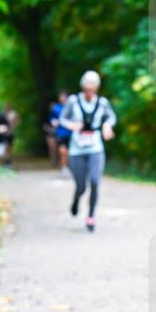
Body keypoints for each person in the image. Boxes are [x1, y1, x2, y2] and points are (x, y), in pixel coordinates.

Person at [60, 71, 117, 232]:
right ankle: (76, 199)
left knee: (94, 181)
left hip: (95, 148)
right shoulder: (73, 101)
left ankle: (91, 217)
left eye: (93, 85)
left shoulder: (102, 103)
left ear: (97, 87)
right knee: (81, 186)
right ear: (83, 85)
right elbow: (63, 118)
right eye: (88, 84)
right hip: (77, 149)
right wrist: (71, 125)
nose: (90, 88)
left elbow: (111, 117)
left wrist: (107, 126)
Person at [51, 91, 72, 173]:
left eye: (64, 96)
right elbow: (51, 119)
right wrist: (53, 122)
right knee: (62, 150)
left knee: (70, 152)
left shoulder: (71, 108)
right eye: (61, 96)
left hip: (71, 133)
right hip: (60, 132)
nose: (62, 98)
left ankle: (69, 166)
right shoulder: (56, 108)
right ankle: (63, 167)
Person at [2, 103, 20, 168]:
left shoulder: (13, 114)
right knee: (5, 147)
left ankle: (8, 161)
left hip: (11, 133)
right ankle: (6, 161)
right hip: (4, 134)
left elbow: (18, 121)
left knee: (9, 147)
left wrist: (13, 126)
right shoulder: (3, 114)